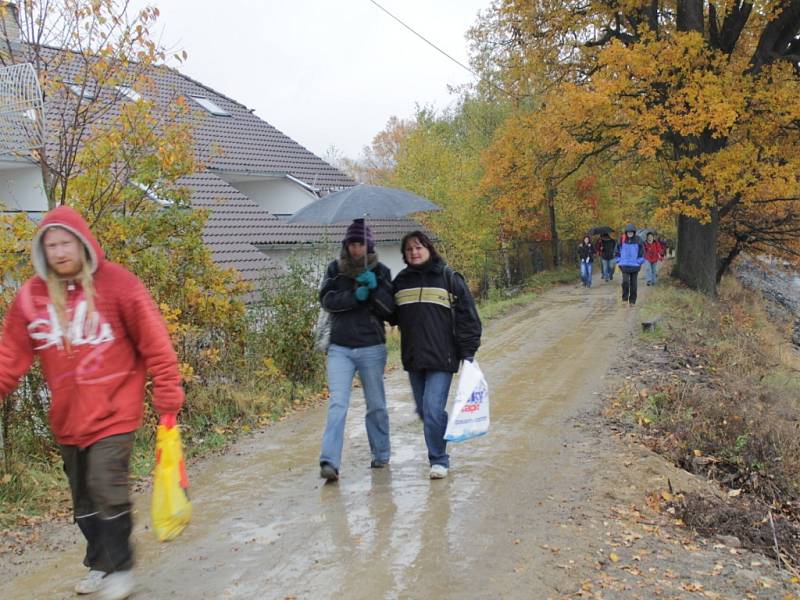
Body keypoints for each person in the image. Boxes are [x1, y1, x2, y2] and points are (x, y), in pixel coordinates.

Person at [0, 206, 184, 600]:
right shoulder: (31, 298)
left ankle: (122, 567)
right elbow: (9, 356)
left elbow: (156, 344)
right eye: (51, 246)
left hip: (115, 411)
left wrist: (167, 397)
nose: (60, 252)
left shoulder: (119, 285)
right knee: (83, 500)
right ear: (42, 251)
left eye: (66, 242)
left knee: (106, 484)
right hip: (67, 418)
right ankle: (100, 563)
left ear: (82, 243)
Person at [392, 231, 482, 479]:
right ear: (404, 254)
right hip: (413, 358)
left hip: (442, 357)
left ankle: (439, 460)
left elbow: (468, 317)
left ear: (429, 249)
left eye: (418, 247)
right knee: (426, 411)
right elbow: (389, 314)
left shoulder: (448, 277)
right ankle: (438, 438)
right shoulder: (400, 281)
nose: (414, 252)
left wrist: (468, 352)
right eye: (409, 249)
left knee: (432, 409)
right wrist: (373, 287)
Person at [318, 219, 395, 482]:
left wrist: (374, 290)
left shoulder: (382, 272)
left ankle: (381, 453)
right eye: (351, 243)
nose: (355, 248)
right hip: (340, 348)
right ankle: (329, 461)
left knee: (375, 405)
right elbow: (327, 300)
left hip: (372, 347)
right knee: (338, 403)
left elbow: (390, 311)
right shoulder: (335, 270)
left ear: (368, 244)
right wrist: (355, 296)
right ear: (346, 244)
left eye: (360, 243)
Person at [615, 223, 645, 305]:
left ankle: (632, 301)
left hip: (635, 266)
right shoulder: (622, 239)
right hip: (624, 265)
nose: (630, 233)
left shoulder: (638, 240)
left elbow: (642, 252)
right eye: (628, 232)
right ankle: (624, 299)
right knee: (625, 282)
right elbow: (617, 251)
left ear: (634, 232)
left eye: (631, 232)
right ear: (626, 232)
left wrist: (639, 261)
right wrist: (618, 260)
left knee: (633, 284)